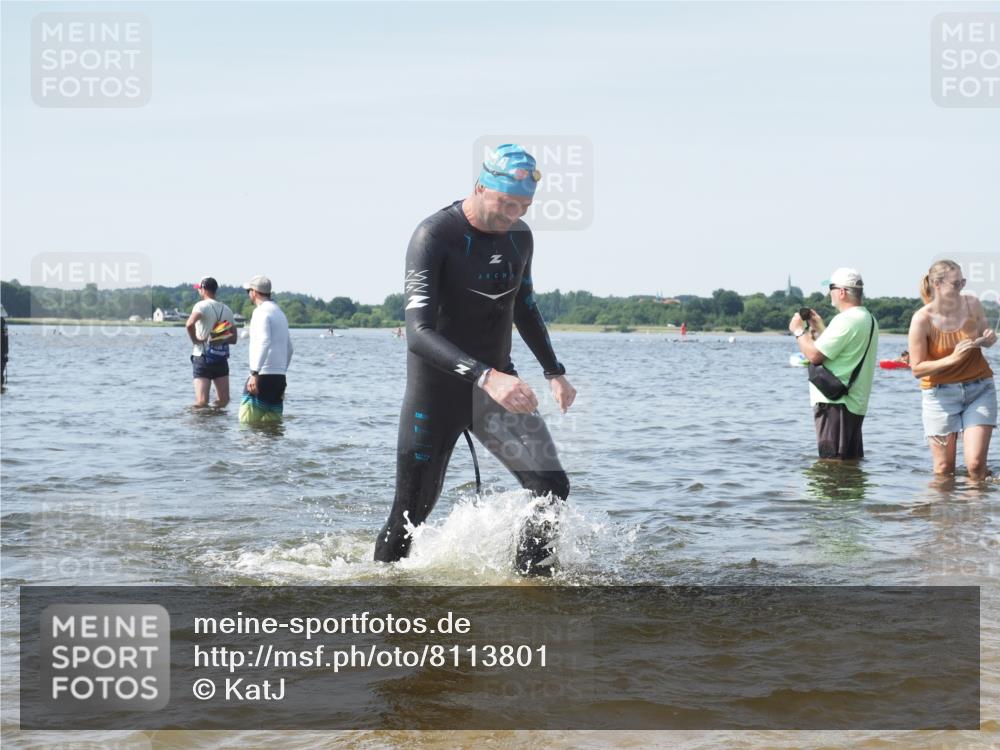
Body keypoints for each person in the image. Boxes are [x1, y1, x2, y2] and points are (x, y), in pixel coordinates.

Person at [374, 143, 577, 576]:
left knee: (551, 486)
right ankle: (382, 594)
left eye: (524, 207)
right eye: (506, 203)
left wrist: (553, 371)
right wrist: (487, 377)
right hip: (437, 395)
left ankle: (530, 586)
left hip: (497, 391)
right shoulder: (434, 236)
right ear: (480, 187)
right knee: (409, 516)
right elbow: (418, 333)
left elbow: (524, 306)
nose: (513, 215)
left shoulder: (520, 236)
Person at [908, 260, 997, 481]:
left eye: (962, 282)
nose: (961, 288)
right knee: (943, 469)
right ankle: (946, 505)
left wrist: (988, 338)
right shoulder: (922, 319)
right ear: (937, 284)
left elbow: (985, 337)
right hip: (939, 395)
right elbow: (917, 369)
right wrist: (952, 359)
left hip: (980, 389)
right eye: (956, 284)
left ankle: (979, 501)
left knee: (975, 465)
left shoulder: (972, 304)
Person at [789, 268, 879, 460]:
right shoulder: (869, 319)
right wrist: (820, 328)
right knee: (850, 464)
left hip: (835, 404)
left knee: (831, 464)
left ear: (842, 292)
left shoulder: (846, 320)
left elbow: (814, 355)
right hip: (854, 404)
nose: (829, 293)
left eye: (831, 288)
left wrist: (798, 331)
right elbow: (841, 350)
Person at [240, 275, 293, 424]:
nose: (248, 294)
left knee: (246, 425)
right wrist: (281, 371)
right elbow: (290, 348)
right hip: (279, 378)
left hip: (262, 376)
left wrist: (254, 373)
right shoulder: (280, 313)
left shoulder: (260, 312)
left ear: (254, 292)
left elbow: (264, 341)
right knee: (272, 428)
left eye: (248, 291)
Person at [185, 277, 237, 407]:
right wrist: (219, 339)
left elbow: (189, 324)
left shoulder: (201, 306)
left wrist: (195, 340)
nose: (198, 291)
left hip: (202, 357)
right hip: (220, 358)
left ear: (203, 289)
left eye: (199, 289)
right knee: (223, 400)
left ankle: (202, 420)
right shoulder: (227, 309)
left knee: (202, 402)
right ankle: (215, 419)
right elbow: (234, 338)